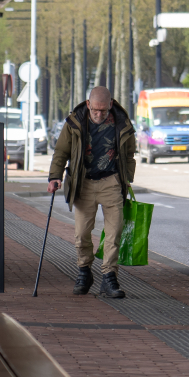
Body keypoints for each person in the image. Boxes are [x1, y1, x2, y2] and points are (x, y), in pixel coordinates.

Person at [47, 86, 137, 299]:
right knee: (81, 234)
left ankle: (109, 276)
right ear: (88, 104)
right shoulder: (75, 122)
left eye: (103, 110)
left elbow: (129, 154)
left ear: (110, 105)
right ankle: (84, 271)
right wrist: (54, 176)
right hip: (84, 183)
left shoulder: (122, 123)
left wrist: (126, 178)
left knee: (114, 232)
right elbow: (61, 151)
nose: (98, 114)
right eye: (95, 110)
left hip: (111, 182)